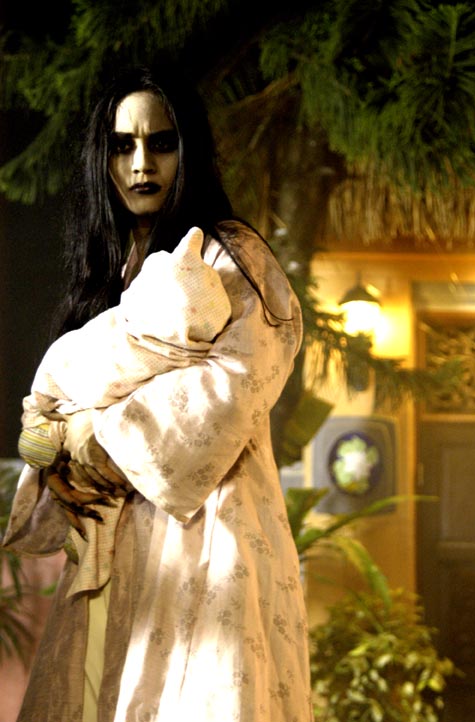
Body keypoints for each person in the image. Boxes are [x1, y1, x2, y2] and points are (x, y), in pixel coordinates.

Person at [3, 63, 313, 722]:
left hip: (210, 534)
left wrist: (90, 434)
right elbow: (45, 424)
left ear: (188, 149)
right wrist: (54, 439)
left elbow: (227, 390)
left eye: (161, 142)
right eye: (123, 146)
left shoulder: (233, 257)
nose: (142, 163)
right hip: (115, 551)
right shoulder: (106, 282)